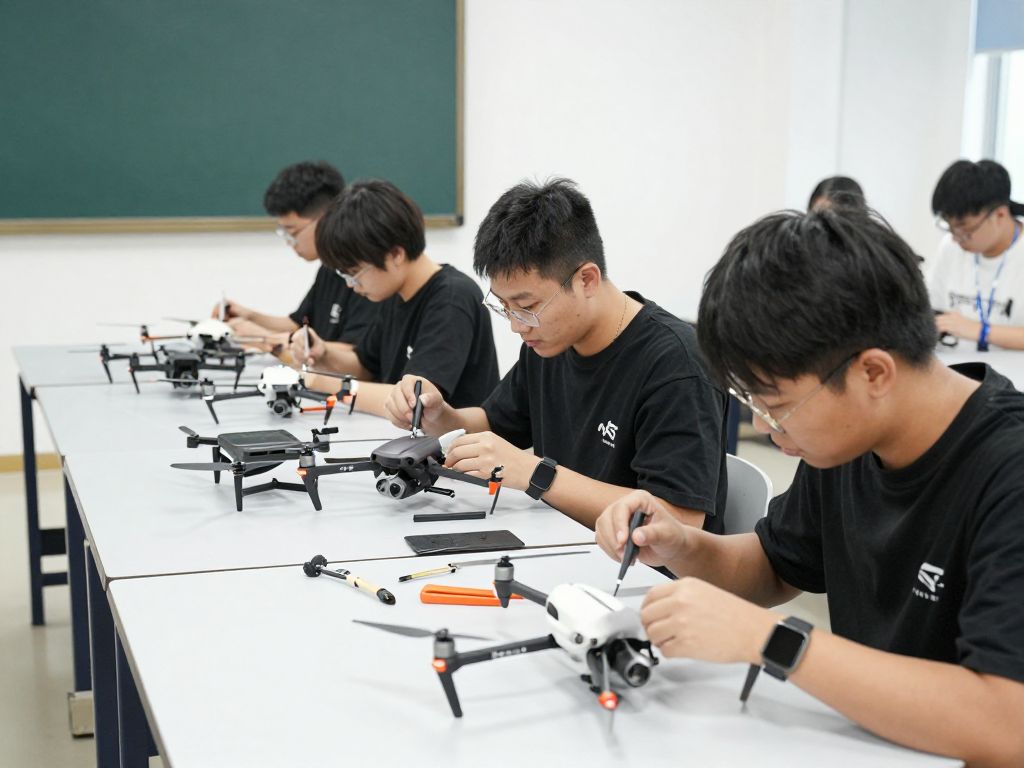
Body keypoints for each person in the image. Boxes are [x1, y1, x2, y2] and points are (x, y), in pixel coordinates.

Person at [595, 207, 1024, 764]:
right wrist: (683, 545)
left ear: (873, 373)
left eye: (776, 407)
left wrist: (771, 641)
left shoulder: (1007, 469)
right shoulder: (850, 437)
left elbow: (1006, 724)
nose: (772, 434)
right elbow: (776, 566)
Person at [383, 179, 728, 531]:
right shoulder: (548, 343)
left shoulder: (676, 364)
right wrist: (439, 414)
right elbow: (492, 425)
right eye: (504, 307)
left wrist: (537, 475)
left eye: (527, 306)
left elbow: (680, 520)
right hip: (564, 542)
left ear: (587, 280)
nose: (517, 327)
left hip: (645, 574)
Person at [294, 178, 499, 416]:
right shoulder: (394, 293)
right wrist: (324, 354)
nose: (351, 286)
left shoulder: (452, 299)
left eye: (354, 274)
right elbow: (365, 366)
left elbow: (412, 403)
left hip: (452, 448)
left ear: (395, 255)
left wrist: (320, 382)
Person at [215, 161, 378, 354]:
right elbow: (298, 325)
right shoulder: (328, 268)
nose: (289, 242)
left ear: (327, 218)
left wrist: (265, 339)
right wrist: (250, 316)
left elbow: (357, 355)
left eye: (292, 231)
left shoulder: (367, 273)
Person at [929, 159, 1024, 350]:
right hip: (957, 372)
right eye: (950, 227)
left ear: (999, 215)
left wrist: (981, 331)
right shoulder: (950, 246)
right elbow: (930, 309)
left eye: (965, 229)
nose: (956, 238)